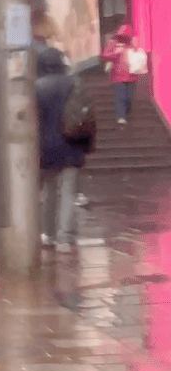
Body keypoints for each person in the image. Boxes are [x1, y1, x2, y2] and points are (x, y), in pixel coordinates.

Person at [36, 46, 91, 251]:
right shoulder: (75, 82)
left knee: (49, 191)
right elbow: (86, 113)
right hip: (72, 143)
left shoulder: (37, 87)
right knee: (69, 191)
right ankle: (65, 237)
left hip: (47, 146)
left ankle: (48, 234)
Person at [102, 25, 144, 125]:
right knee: (120, 96)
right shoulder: (113, 43)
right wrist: (116, 52)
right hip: (118, 76)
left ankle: (126, 114)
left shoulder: (132, 43)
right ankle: (121, 116)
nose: (124, 37)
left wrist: (135, 45)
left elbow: (138, 56)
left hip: (131, 75)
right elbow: (105, 55)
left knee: (129, 98)